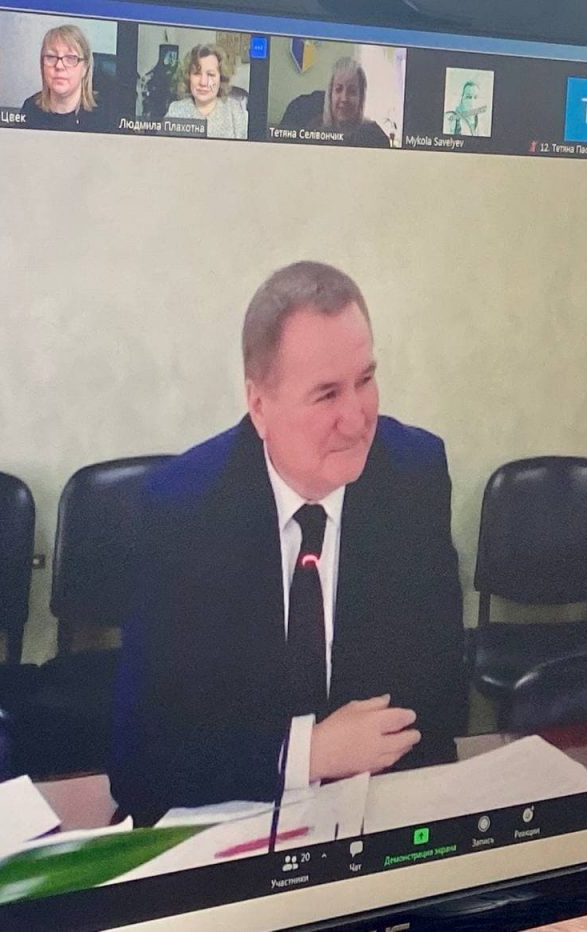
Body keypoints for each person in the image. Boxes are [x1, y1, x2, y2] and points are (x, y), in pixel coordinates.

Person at [110, 261, 467, 824]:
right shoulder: (181, 509)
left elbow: (438, 707)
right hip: (234, 823)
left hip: (374, 815)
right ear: (259, 406)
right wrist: (307, 754)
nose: (357, 419)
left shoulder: (413, 476)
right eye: (326, 394)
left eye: (365, 380)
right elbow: (140, 760)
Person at [22, 24, 107, 131]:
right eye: (51, 57)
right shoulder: (30, 108)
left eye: (71, 58)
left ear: (85, 68)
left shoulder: (104, 113)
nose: (59, 66)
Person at [302, 58, 391, 148]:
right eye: (338, 89)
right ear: (330, 95)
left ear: (361, 98)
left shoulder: (376, 137)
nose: (344, 98)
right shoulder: (312, 131)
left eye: (352, 91)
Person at [165, 44, 248, 140]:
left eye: (211, 75)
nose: (203, 82)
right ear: (189, 77)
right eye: (197, 74)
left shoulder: (235, 111)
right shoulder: (175, 111)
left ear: (221, 78)